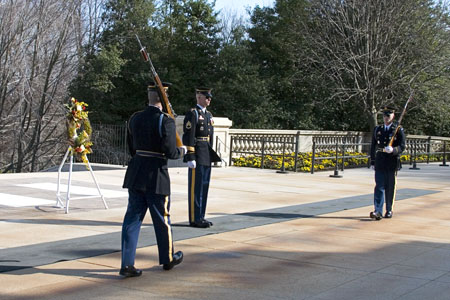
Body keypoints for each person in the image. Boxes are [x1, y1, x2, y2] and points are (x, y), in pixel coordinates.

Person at [120, 82, 186, 277]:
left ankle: (126, 264)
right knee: (162, 219)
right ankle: (167, 258)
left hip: (136, 173)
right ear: (164, 98)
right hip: (156, 175)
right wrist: (181, 151)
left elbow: (132, 147)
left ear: (149, 96)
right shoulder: (165, 120)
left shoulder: (135, 118)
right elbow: (170, 151)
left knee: (132, 220)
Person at [183, 87, 221, 228]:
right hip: (197, 154)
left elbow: (209, 138)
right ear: (199, 98)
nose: (209, 99)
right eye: (207, 97)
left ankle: (201, 216)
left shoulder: (208, 115)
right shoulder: (193, 114)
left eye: (209, 97)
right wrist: (190, 156)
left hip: (206, 155)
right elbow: (189, 136)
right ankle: (194, 218)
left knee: (204, 187)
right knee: (196, 188)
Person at [369, 106, 406, 220]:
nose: (386, 118)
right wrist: (373, 161)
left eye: (388, 116)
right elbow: (373, 146)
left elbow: (402, 146)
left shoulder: (398, 129)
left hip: (391, 161)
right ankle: (377, 211)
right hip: (380, 160)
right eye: (384, 116)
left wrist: (394, 150)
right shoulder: (377, 129)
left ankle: (389, 210)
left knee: (389, 187)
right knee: (379, 186)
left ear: (393, 116)